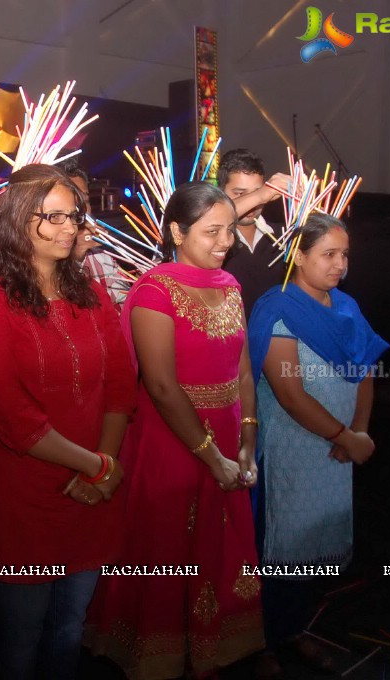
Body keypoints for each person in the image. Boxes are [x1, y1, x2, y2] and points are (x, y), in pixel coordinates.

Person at [0, 163, 136, 679]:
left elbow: (122, 387)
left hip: (91, 495)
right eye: (54, 216)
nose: (70, 227)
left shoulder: (93, 294)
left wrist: (101, 467)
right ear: (20, 220)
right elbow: (15, 420)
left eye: (74, 216)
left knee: (68, 631)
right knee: (20, 637)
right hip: (27, 498)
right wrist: (99, 467)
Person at [86, 182, 264, 679]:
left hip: (228, 439)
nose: (225, 241)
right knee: (167, 549)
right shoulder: (154, 291)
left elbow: (244, 371)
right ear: (177, 231)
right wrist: (214, 458)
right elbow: (162, 387)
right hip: (173, 443)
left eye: (230, 230)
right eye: (211, 231)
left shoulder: (230, 286)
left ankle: (210, 649)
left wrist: (248, 446)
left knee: (219, 550)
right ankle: (157, 656)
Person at [247, 213, 388, 679]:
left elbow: (366, 369)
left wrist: (360, 431)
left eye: (344, 254)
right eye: (328, 254)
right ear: (297, 256)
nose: (340, 264)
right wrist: (343, 435)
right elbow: (289, 393)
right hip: (292, 446)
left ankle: (293, 629)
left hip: (337, 448)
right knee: (279, 544)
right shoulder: (278, 309)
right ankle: (260, 642)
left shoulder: (345, 307)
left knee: (312, 540)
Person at [220, 148, 281, 318]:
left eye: (258, 192)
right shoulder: (214, 242)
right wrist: (261, 195)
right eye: (240, 193)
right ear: (221, 192)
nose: (255, 202)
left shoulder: (284, 234)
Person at [58, 158, 129, 305]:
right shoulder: (40, 257)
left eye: (85, 200)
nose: (81, 209)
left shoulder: (100, 255)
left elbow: (123, 302)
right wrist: (76, 255)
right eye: (73, 200)